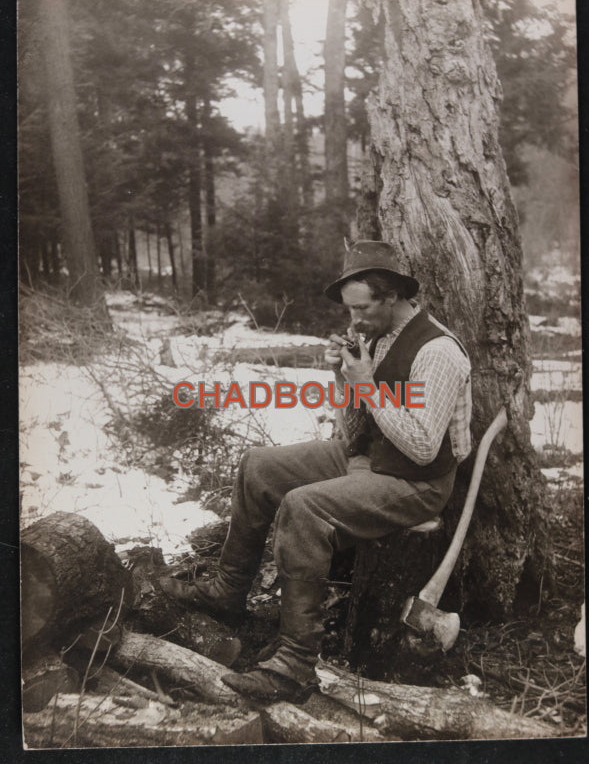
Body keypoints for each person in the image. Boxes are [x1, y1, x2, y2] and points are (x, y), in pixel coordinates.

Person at [160, 240, 472, 703]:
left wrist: (366, 384)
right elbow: (355, 426)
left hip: (416, 483)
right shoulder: (378, 334)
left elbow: (424, 449)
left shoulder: (437, 351)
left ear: (392, 297)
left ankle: (295, 663)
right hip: (373, 456)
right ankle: (227, 591)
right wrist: (343, 379)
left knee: (303, 506)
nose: (354, 321)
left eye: (362, 309)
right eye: (349, 311)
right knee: (258, 466)